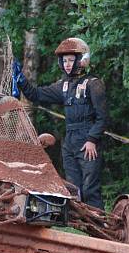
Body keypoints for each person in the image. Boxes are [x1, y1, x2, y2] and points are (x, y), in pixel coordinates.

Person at [12, 37, 108, 210]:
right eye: (65, 61)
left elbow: (103, 117)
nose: (68, 64)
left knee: (89, 188)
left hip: (88, 140)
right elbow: (36, 95)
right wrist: (21, 80)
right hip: (70, 140)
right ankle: (79, 227)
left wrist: (92, 139)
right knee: (73, 188)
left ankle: (101, 227)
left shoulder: (93, 84)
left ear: (82, 60)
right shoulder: (63, 85)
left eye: (71, 60)